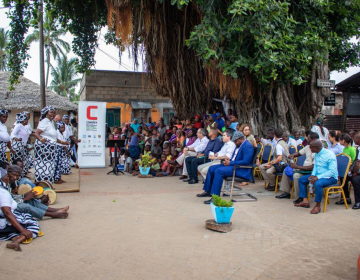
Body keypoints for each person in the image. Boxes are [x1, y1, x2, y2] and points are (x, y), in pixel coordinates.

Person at [197, 131, 254, 203]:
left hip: (240, 169)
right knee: (212, 168)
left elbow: (246, 161)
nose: (235, 143)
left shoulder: (247, 146)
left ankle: (215, 197)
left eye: (236, 141)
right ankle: (208, 191)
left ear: (240, 139)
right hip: (233, 165)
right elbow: (235, 157)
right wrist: (228, 161)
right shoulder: (239, 145)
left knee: (219, 171)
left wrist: (231, 163)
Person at [0, 167, 40, 251]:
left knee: (26, 216)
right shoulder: (2, 192)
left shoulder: (4, 189)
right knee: (33, 224)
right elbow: (7, 213)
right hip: (3, 221)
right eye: (7, 176)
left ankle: (13, 236)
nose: (9, 178)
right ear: (2, 178)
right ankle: (16, 241)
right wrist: (23, 230)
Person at [295, 140, 338, 214]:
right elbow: (316, 166)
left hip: (330, 177)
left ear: (315, 147)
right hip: (319, 175)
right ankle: (305, 201)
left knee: (318, 183)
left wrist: (318, 177)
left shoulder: (330, 155)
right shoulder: (317, 153)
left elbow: (332, 171)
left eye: (310, 147)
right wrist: (313, 174)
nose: (309, 149)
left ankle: (317, 206)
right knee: (301, 179)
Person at [276, 132, 318, 200]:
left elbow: (313, 167)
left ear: (313, 140)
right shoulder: (307, 147)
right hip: (303, 169)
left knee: (296, 176)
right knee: (286, 170)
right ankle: (286, 192)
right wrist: (292, 155)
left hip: (310, 171)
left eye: (309, 139)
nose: (307, 140)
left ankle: (300, 197)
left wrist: (297, 167)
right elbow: (299, 153)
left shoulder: (317, 151)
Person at [34, 106, 58, 184]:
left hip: (49, 150)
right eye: (51, 112)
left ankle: (47, 184)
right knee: (43, 168)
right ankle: (42, 185)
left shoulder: (50, 122)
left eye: (54, 113)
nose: (53, 114)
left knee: (49, 168)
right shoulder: (44, 121)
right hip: (44, 150)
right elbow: (36, 133)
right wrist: (41, 139)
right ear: (46, 113)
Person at [350, 132, 360, 209]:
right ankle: (346, 198)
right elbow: (355, 160)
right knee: (345, 176)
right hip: (357, 170)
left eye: (355, 139)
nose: (354, 140)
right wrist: (351, 169)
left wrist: (357, 172)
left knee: (356, 180)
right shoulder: (358, 148)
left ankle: (358, 201)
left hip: (359, 172)